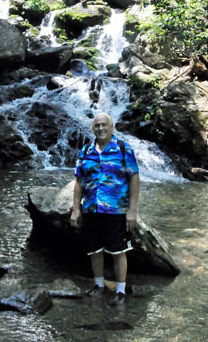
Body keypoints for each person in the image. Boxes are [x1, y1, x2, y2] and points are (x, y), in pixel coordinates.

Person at [70, 112, 140, 306]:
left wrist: (132, 210)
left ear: (112, 127)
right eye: (97, 125)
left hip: (116, 210)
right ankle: (99, 285)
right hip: (91, 209)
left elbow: (134, 178)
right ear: (93, 128)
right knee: (94, 249)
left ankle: (120, 290)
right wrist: (76, 209)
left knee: (118, 251)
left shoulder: (124, 149)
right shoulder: (85, 151)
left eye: (104, 125)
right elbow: (79, 181)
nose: (100, 128)